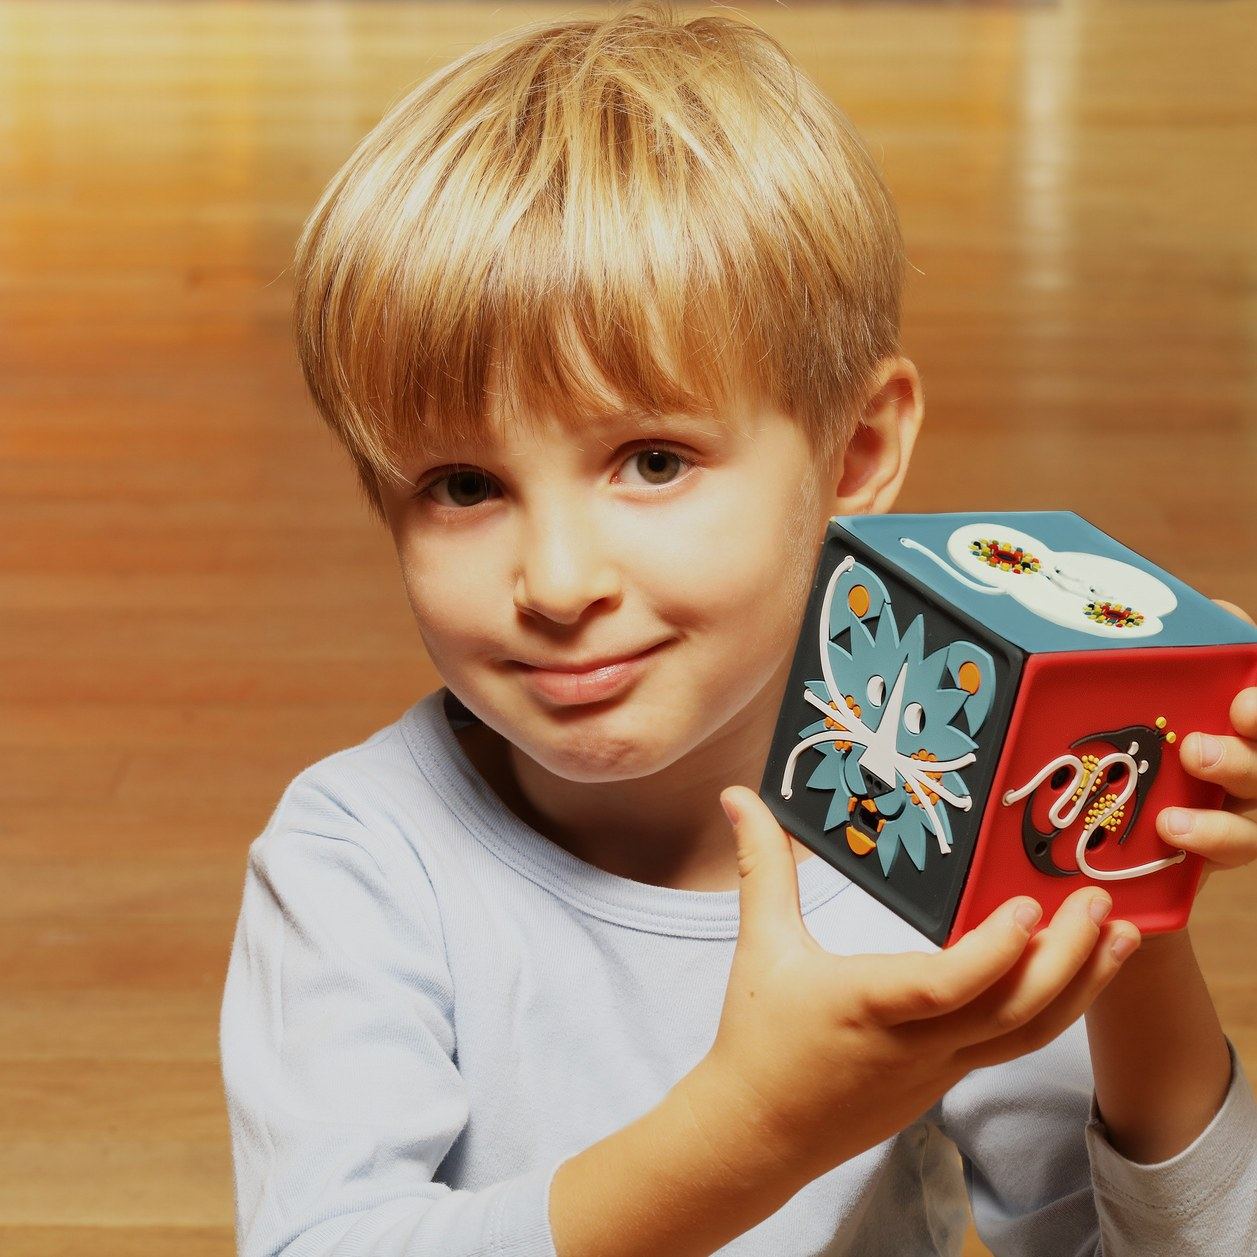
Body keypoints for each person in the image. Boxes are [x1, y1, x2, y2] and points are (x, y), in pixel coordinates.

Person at [219, 3, 1257, 1253]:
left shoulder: (941, 832)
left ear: (856, 450)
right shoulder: (357, 856)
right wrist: (758, 1128)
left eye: (653, 460)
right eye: (462, 485)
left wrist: (1118, 894)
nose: (554, 581)